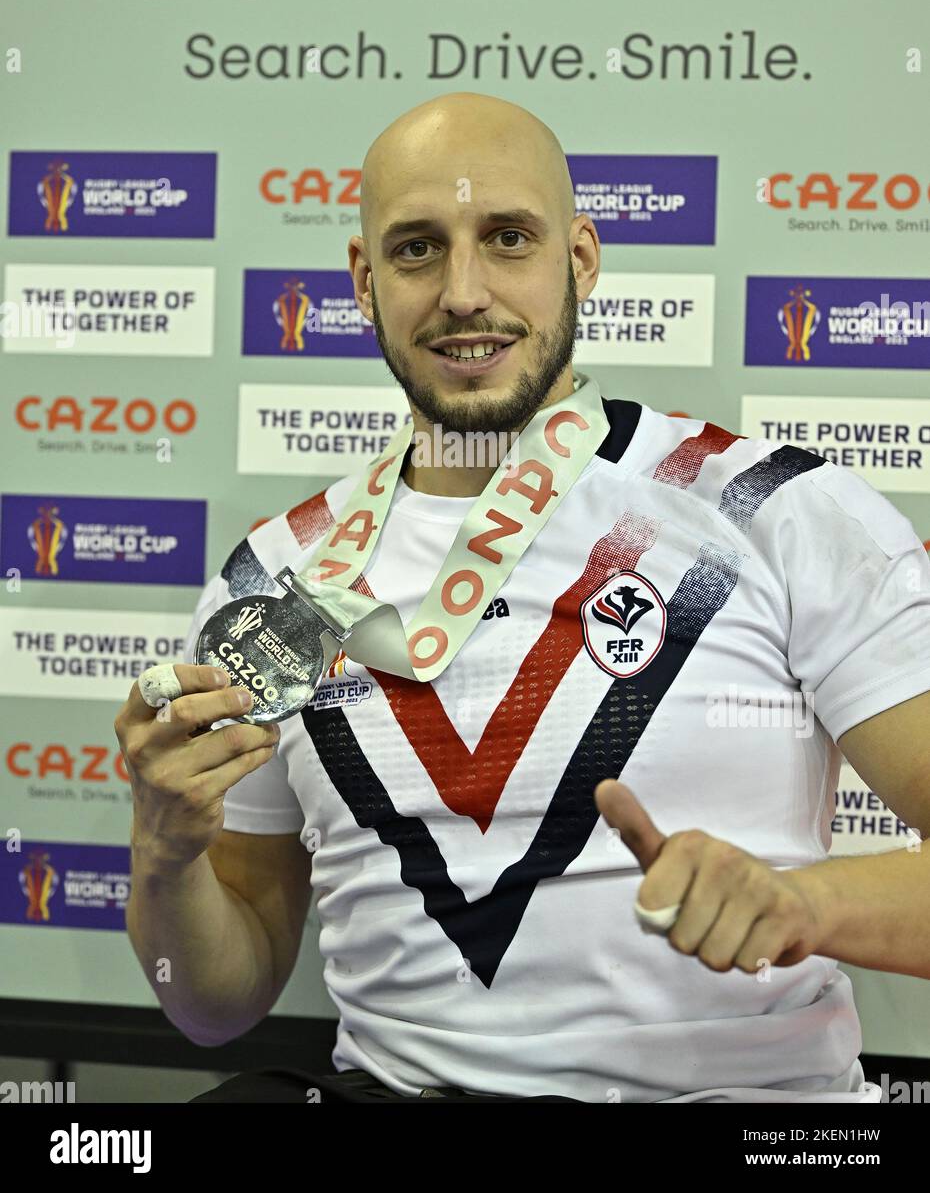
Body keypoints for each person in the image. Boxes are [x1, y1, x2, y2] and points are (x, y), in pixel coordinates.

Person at [117, 92, 930, 1103]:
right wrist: (165, 852)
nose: (464, 292)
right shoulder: (273, 584)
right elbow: (215, 1008)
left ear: (580, 261)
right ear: (363, 282)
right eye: (416, 249)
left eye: (508, 239)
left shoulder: (770, 507)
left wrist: (805, 905)